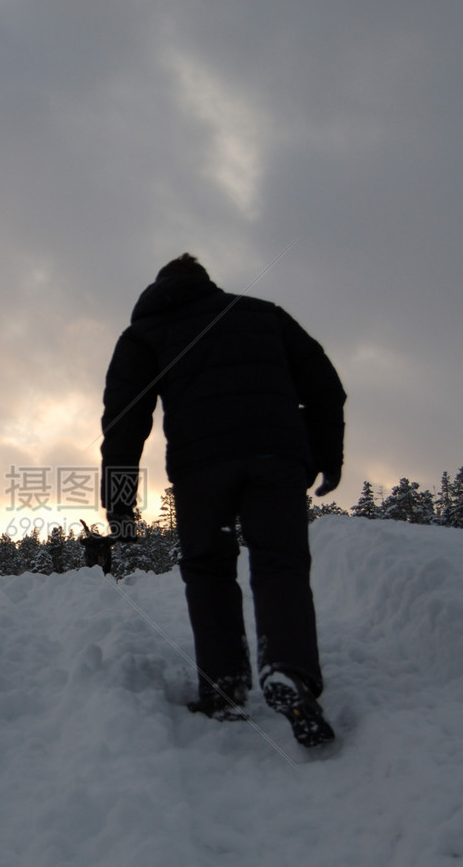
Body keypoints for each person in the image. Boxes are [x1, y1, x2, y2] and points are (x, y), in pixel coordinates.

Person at [100, 253, 346, 747]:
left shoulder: (145, 335)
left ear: (158, 288)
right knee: (281, 564)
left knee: (210, 569)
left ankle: (224, 688)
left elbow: (124, 420)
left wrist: (121, 504)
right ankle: (289, 669)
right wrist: (326, 456)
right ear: (205, 282)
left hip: (202, 469)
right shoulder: (264, 314)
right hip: (277, 458)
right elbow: (325, 387)